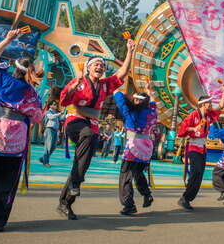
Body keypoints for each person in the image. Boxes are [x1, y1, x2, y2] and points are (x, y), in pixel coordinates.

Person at [0, 29, 43, 232]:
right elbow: (37, 117)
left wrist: (8, 38)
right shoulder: (33, 94)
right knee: (7, 182)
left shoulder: (6, 81)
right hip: (18, 141)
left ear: (15, 68)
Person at [57, 39, 134, 220]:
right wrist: (71, 89)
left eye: (102, 65)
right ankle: (75, 183)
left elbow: (122, 73)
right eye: (96, 64)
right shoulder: (79, 81)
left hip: (90, 126)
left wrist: (130, 51)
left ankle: (65, 202)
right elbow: (64, 101)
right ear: (89, 68)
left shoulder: (106, 85)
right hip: (75, 121)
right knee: (89, 135)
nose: (99, 66)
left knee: (82, 165)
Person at [176, 82, 224, 211]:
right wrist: (194, 128)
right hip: (193, 147)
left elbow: (221, 106)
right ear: (203, 104)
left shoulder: (209, 116)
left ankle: (187, 198)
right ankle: (185, 198)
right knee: (196, 172)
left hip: (203, 148)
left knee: (199, 174)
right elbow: (181, 132)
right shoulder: (193, 115)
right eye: (209, 102)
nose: (211, 104)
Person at [114, 82, 157, 215]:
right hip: (147, 147)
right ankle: (147, 194)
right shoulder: (151, 113)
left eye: (136, 99)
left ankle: (129, 205)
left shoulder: (131, 112)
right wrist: (149, 92)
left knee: (125, 175)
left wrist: (115, 89)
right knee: (138, 173)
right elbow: (154, 104)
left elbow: (121, 101)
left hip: (134, 146)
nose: (134, 101)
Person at [39, 100, 63, 167]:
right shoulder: (48, 112)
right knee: (48, 146)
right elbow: (51, 117)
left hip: (55, 130)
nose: (56, 105)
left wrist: (65, 113)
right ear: (50, 105)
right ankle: (45, 162)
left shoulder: (56, 112)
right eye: (54, 104)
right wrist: (59, 114)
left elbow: (61, 118)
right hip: (49, 130)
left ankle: (43, 158)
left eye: (56, 104)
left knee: (53, 146)